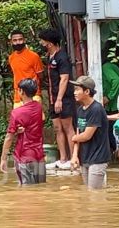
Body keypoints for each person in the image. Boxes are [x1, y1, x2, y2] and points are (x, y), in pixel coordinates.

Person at [39, 29, 76, 170]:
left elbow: (64, 78)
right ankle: (62, 159)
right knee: (57, 128)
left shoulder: (62, 57)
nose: (41, 43)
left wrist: (59, 99)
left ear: (49, 43)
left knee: (68, 127)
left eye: (42, 41)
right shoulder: (50, 56)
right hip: (53, 98)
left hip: (63, 99)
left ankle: (74, 158)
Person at [0, 79, 46, 185]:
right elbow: (41, 119)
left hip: (24, 157)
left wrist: (3, 159)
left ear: (22, 92)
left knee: (26, 193)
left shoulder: (17, 113)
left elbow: (8, 137)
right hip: (39, 156)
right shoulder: (38, 107)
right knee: (41, 189)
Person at [70, 76, 111, 189]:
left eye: (78, 89)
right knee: (89, 194)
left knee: (94, 194)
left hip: (98, 158)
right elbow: (79, 134)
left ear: (87, 91)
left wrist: (73, 138)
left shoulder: (96, 109)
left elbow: (86, 136)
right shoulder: (79, 110)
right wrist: (74, 156)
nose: (75, 93)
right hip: (84, 157)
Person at [8, 30, 44, 108]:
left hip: (33, 95)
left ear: (24, 40)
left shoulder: (34, 56)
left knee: (35, 120)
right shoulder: (11, 58)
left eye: (20, 39)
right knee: (18, 119)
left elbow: (40, 76)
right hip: (18, 97)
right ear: (11, 42)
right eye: (15, 40)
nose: (18, 42)